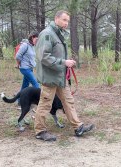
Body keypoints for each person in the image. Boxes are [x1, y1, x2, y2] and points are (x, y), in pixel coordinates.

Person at [34, 10, 94, 141]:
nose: (66, 23)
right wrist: (63, 62)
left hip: (60, 77)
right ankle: (40, 131)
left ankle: (78, 127)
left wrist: (66, 62)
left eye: (67, 21)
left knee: (68, 101)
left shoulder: (58, 34)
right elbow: (43, 57)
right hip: (50, 78)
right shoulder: (47, 34)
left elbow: (55, 55)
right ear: (56, 19)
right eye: (64, 20)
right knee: (45, 104)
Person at [15, 31, 40, 104]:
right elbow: (18, 56)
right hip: (25, 68)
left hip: (30, 68)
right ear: (32, 37)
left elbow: (31, 58)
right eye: (36, 39)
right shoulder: (25, 45)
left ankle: (19, 101)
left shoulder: (32, 46)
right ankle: (39, 101)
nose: (37, 41)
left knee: (25, 86)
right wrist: (19, 64)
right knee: (36, 84)